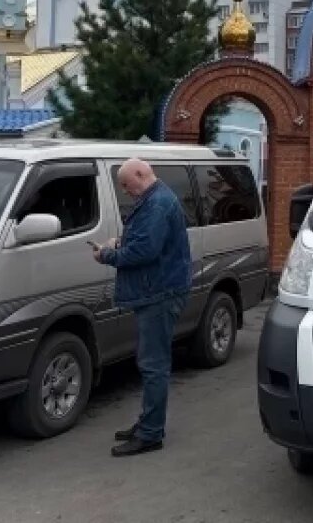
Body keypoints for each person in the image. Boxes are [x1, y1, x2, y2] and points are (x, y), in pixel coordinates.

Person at [93, 158, 191, 457]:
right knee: (150, 363)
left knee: (153, 365)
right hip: (156, 291)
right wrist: (120, 242)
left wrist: (108, 255)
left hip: (158, 293)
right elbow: (146, 241)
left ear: (139, 174)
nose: (125, 190)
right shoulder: (155, 199)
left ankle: (150, 434)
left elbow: (145, 251)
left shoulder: (157, 204)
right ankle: (148, 423)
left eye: (126, 183)